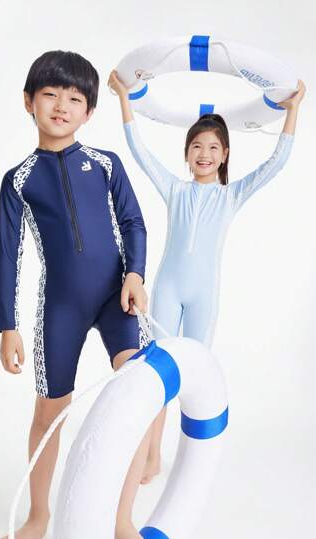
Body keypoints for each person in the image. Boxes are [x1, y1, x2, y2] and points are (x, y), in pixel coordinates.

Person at [108, 70, 306, 484]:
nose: (204, 153)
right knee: (156, 373)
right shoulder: (175, 190)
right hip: (167, 289)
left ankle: (191, 464)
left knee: (194, 376)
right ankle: (150, 455)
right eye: (197, 146)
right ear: (186, 153)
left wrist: (293, 110)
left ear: (225, 154)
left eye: (213, 147)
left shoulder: (231, 195)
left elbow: (277, 162)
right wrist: (125, 97)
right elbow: (139, 150)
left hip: (203, 297)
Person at [0, 50, 151, 539]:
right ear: (29, 102)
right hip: (60, 306)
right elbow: (8, 255)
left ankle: (122, 519)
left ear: (89, 111)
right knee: (49, 412)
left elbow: (133, 222)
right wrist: (7, 326)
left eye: (75, 98)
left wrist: (135, 275)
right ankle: (39, 515)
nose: (62, 105)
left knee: (136, 393)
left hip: (117, 297)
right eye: (50, 94)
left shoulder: (105, 163)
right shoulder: (19, 180)